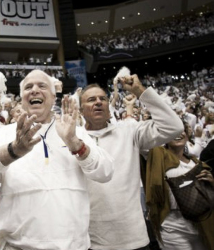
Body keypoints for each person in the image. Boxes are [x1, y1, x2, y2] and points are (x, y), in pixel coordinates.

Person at [0, 69, 114, 250]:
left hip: (72, 245)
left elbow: (105, 172)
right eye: (28, 87)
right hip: (17, 246)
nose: (34, 90)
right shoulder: (5, 133)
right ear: (22, 99)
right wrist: (13, 150)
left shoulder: (73, 131)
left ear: (53, 98)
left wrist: (75, 143)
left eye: (42, 86)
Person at [79, 74, 184, 250]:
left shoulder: (129, 130)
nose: (98, 102)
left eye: (102, 99)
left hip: (133, 238)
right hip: (91, 239)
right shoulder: (74, 139)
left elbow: (174, 127)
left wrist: (139, 91)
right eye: (91, 100)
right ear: (81, 110)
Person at [141, 121, 214, 250]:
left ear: (187, 135)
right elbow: (142, 142)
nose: (179, 134)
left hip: (200, 222)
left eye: (182, 131)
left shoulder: (195, 162)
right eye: (174, 131)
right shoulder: (157, 155)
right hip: (172, 224)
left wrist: (211, 182)